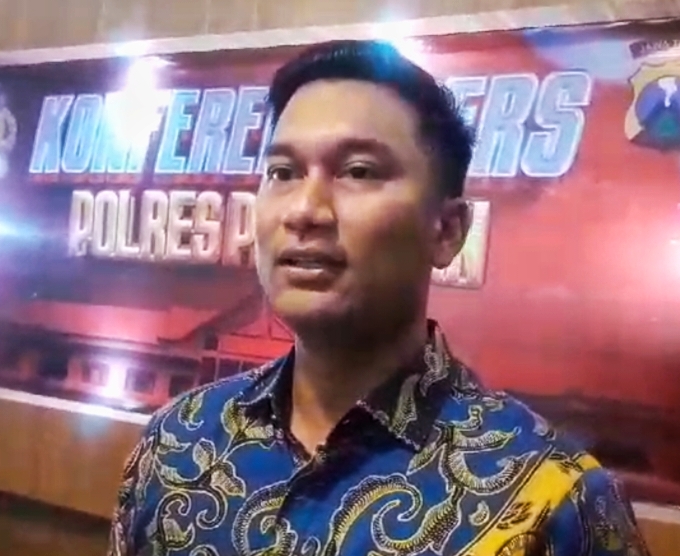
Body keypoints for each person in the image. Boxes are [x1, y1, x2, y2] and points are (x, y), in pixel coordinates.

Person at [107, 39, 651, 556]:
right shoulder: (178, 442)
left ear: (447, 230)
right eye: (283, 172)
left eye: (358, 171)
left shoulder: (555, 499)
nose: (304, 210)